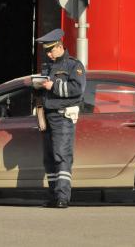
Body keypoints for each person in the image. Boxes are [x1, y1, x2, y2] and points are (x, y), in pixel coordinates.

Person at [35, 29, 86, 208]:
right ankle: (53, 195)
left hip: (63, 117)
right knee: (49, 158)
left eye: (50, 50)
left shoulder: (74, 65)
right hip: (47, 116)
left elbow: (77, 90)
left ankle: (63, 197)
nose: (48, 54)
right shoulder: (48, 65)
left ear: (59, 46)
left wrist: (53, 85)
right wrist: (38, 86)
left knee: (61, 156)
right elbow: (46, 90)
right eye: (46, 51)